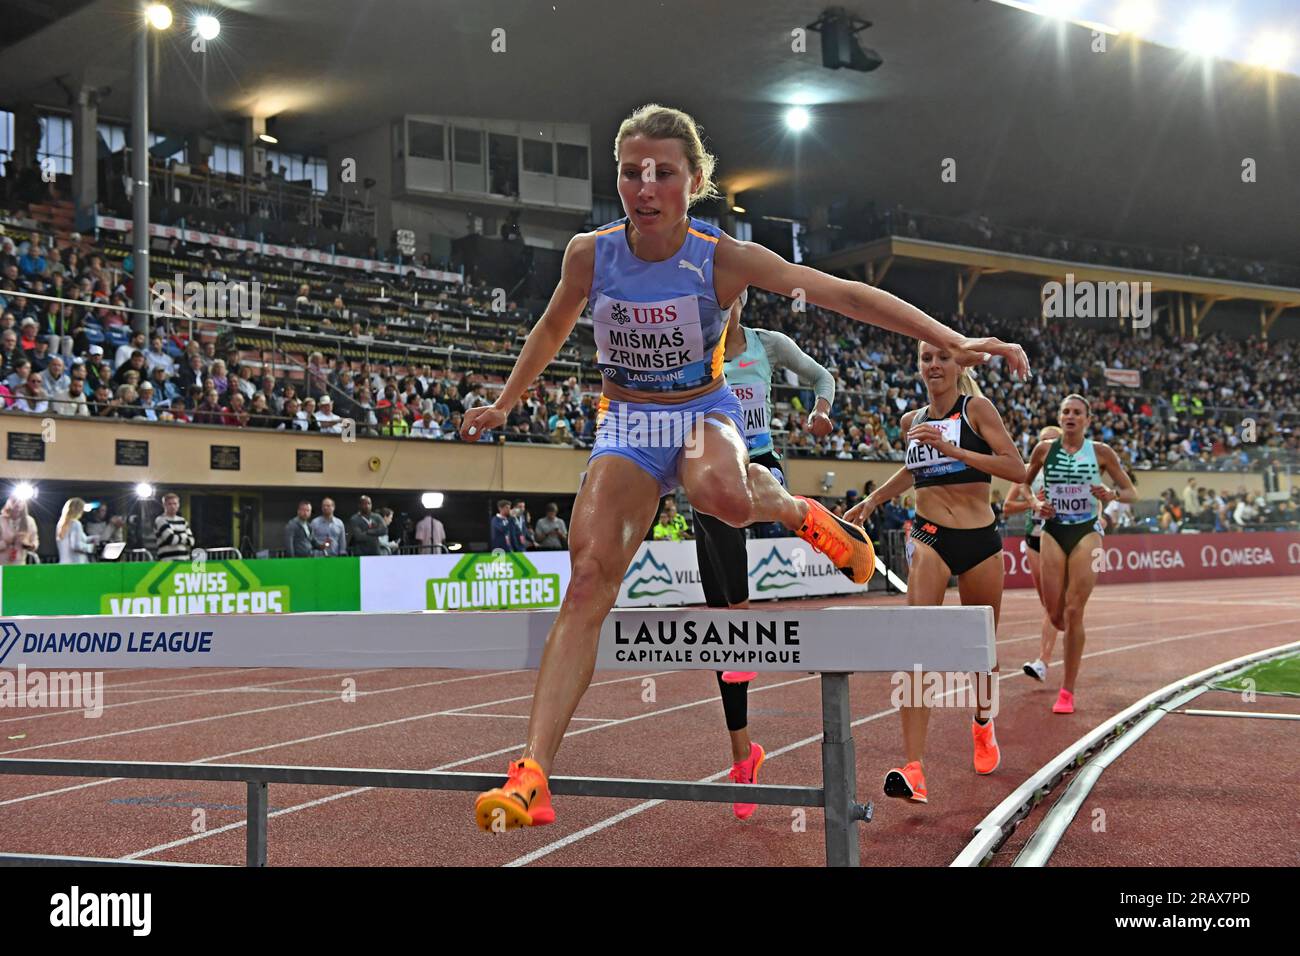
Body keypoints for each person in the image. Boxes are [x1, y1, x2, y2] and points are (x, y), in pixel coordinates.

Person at [462, 103, 1027, 830]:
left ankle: (796, 511)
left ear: (692, 181)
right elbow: (550, 328)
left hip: (704, 412)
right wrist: (507, 402)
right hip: (629, 421)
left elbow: (841, 294)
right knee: (590, 575)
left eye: (663, 172)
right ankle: (533, 771)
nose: (645, 184)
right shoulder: (589, 255)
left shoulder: (718, 257)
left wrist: (953, 337)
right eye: (632, 171)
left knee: (723, 493)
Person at [846, 341, 1027, 804]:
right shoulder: (911, 422)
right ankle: (913, 768)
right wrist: (874, 499)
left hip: (980, 541)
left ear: (957, 364)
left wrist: (954, 449)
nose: (933, 365)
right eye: (926, 358)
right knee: (916, 648)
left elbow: (1016, 468)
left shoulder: (977, 409)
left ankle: (983, 725)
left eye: (941, 358)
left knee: (981, 652)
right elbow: (912, 471)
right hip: (929, 536)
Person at [690, 288, 837, 818]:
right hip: (705, 477)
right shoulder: (690, 352)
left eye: (731, 295)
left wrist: (820, 409)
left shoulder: (767, 344)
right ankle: (743, 753)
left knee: (748, 485)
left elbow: (824, 377)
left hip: (759, 465)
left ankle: (802, 515)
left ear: (743, 299)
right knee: (722, 628)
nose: (722, 303)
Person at [1023, 394, 1137, 715]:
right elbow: (1022, 485)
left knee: (1074, 611)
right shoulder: (1044, 450)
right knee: (1055, 613)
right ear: (1059, 418)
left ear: (1087, 420)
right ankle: (1060, 643)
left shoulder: (1101, 452)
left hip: (1087, 532)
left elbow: (1131, 492)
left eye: (1077, 413)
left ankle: (1067, 691)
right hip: (1052, 531)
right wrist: (1034, 504)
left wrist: (1112, 493)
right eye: (1065, 412)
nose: (1070, 417)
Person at [1004, 425, 1063, 684]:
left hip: (1060, 540)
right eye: (1044, 440)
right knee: (1048, 605)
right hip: (1033, 541)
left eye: (1054, 440)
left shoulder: (1072, 470)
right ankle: (1062, 628)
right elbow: (1007, 507)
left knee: (1052, 605)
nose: (1048, 444)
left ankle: (1042, 661)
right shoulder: (1027, 472)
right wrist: (1032, 503)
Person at [154, 492, 195, 560]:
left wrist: (177, 537)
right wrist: (184, 536)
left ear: (178, 505)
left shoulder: (183, 520)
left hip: (184, 560)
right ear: (164, 505)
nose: (173, 506)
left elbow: (192, 541)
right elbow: (171, 539)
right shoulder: (160, 520)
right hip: (166, 561)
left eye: (175, 503)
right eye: (169, 504)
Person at [0, 495, 40, 565]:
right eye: (14, 501)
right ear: (8, 502)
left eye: (20, 501)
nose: (17, 504)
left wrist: (28, 545)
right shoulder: (1, 520)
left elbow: (35, 541)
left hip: (20, 565)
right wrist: (5, 543)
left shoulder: (29, 521)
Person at [56, 497, 97, 564]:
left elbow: (74, 540)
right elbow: (76, 545)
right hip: (77, 564)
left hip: (63, 564)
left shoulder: (60, 524)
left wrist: (91, 538)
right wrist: (91, 547)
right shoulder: (75, 523)